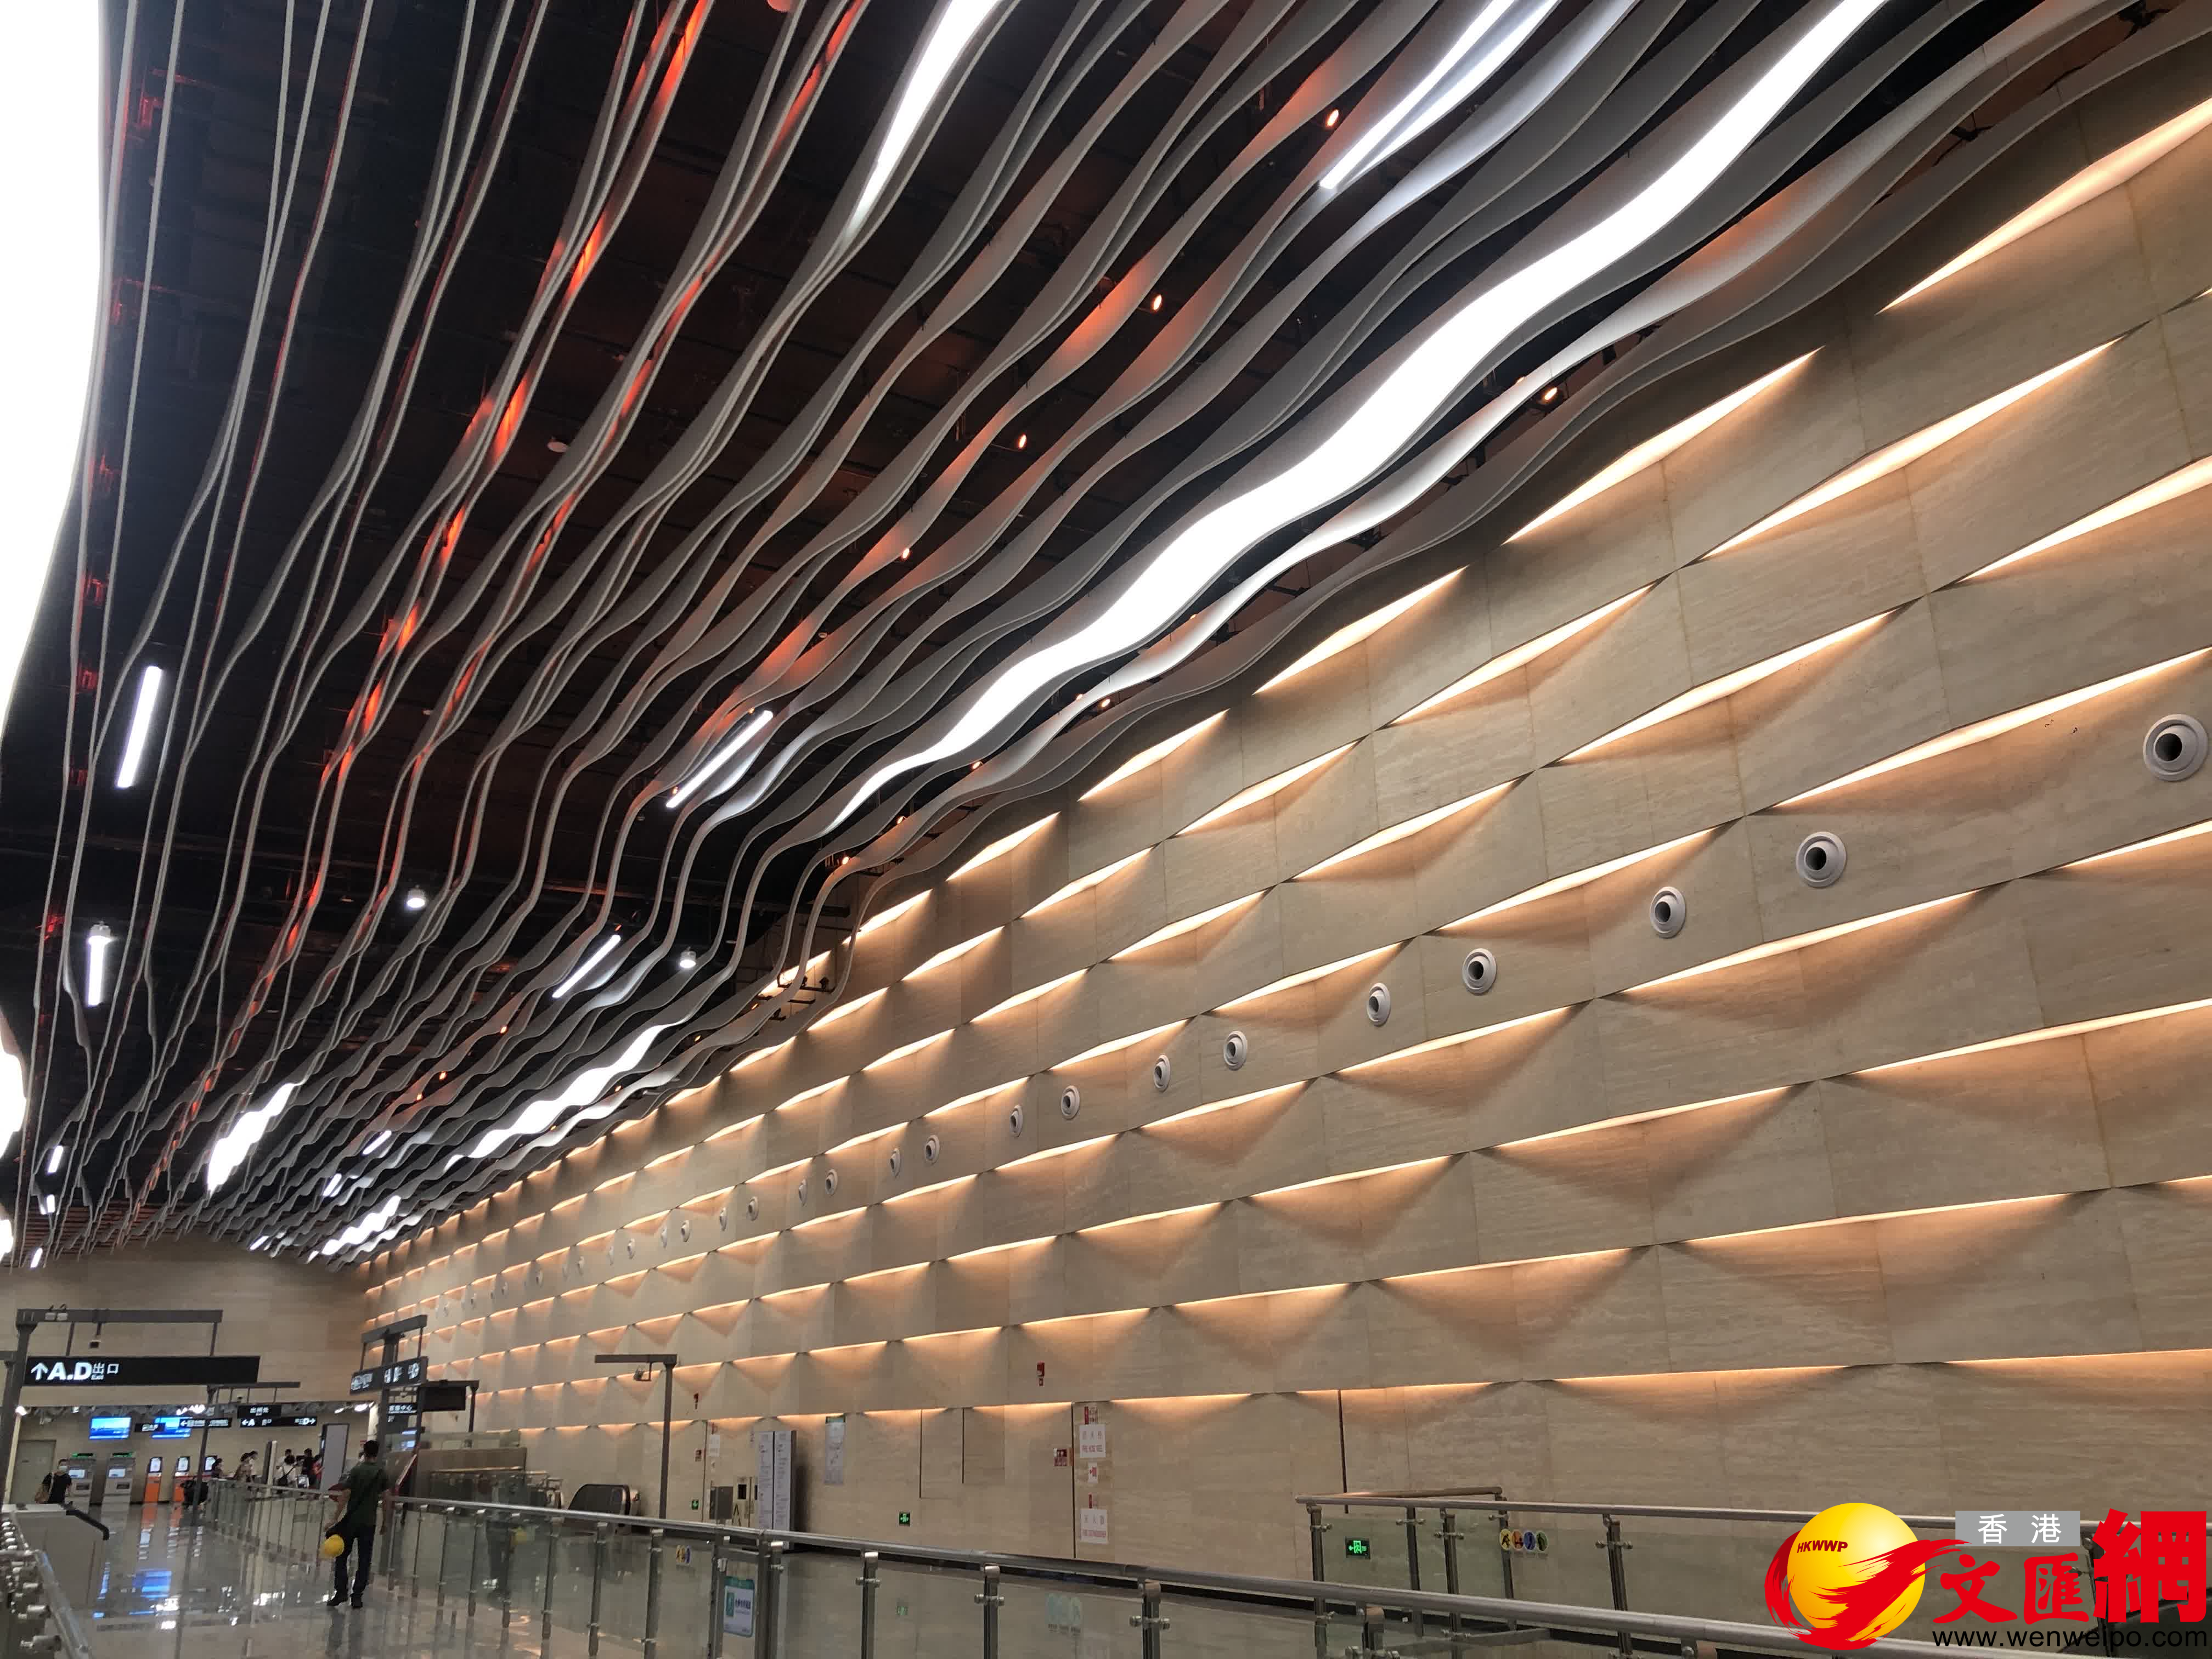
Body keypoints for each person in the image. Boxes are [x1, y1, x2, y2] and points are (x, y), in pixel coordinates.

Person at [324, 1440, 390, 1610]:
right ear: (377, 1453)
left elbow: (345, 1494)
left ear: (364, 1452)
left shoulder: (356, 1470)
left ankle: (341, 1592)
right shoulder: (381, 1473)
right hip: (369, 1523)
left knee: (342, 1557)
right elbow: (387, 1499)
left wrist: (335, 1518)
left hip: (351, 1522)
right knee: (364, 1560)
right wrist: (386, 1521)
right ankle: (357, 1596)